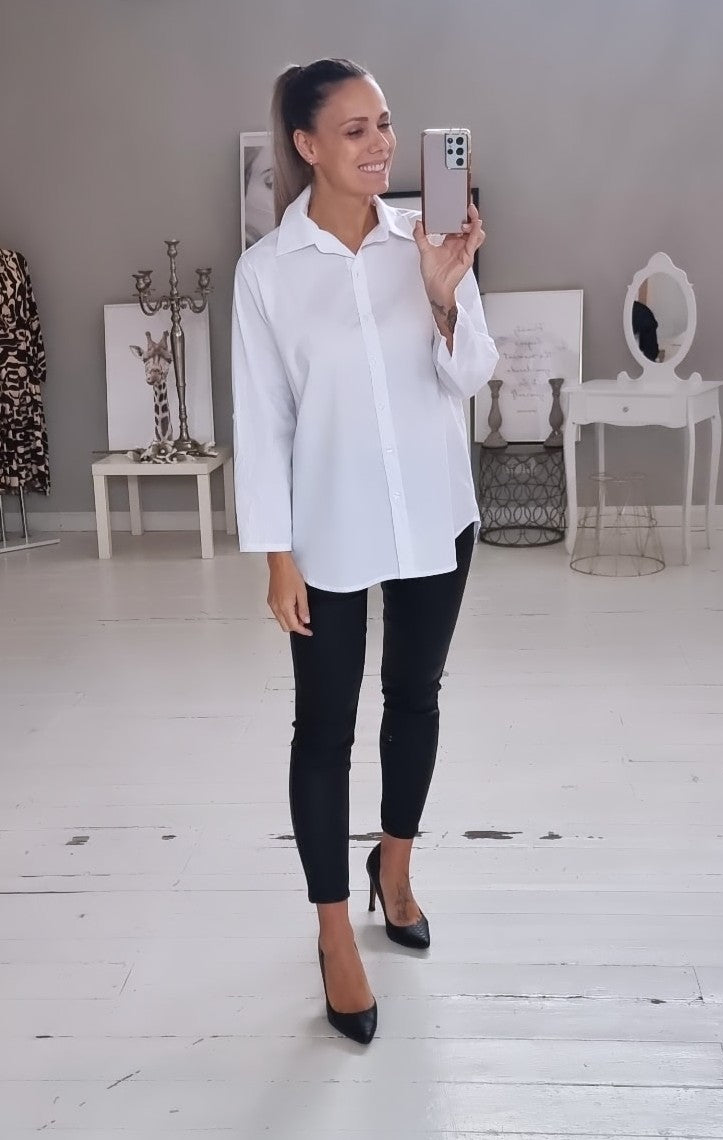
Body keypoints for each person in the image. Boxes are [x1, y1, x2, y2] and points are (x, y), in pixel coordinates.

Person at [231, 58, 498, 1045]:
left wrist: (443, 294)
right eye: (355, 129)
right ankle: (335, 932)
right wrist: (276, 553)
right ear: (307, 146)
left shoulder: (425, 240)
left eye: (385, 123)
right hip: (328, 526)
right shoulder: (268, 274)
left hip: (433, 511)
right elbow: (262, 421)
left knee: (415, 697)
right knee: (322, 730)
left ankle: (396, 864)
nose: (381, 144)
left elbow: (471, 372)